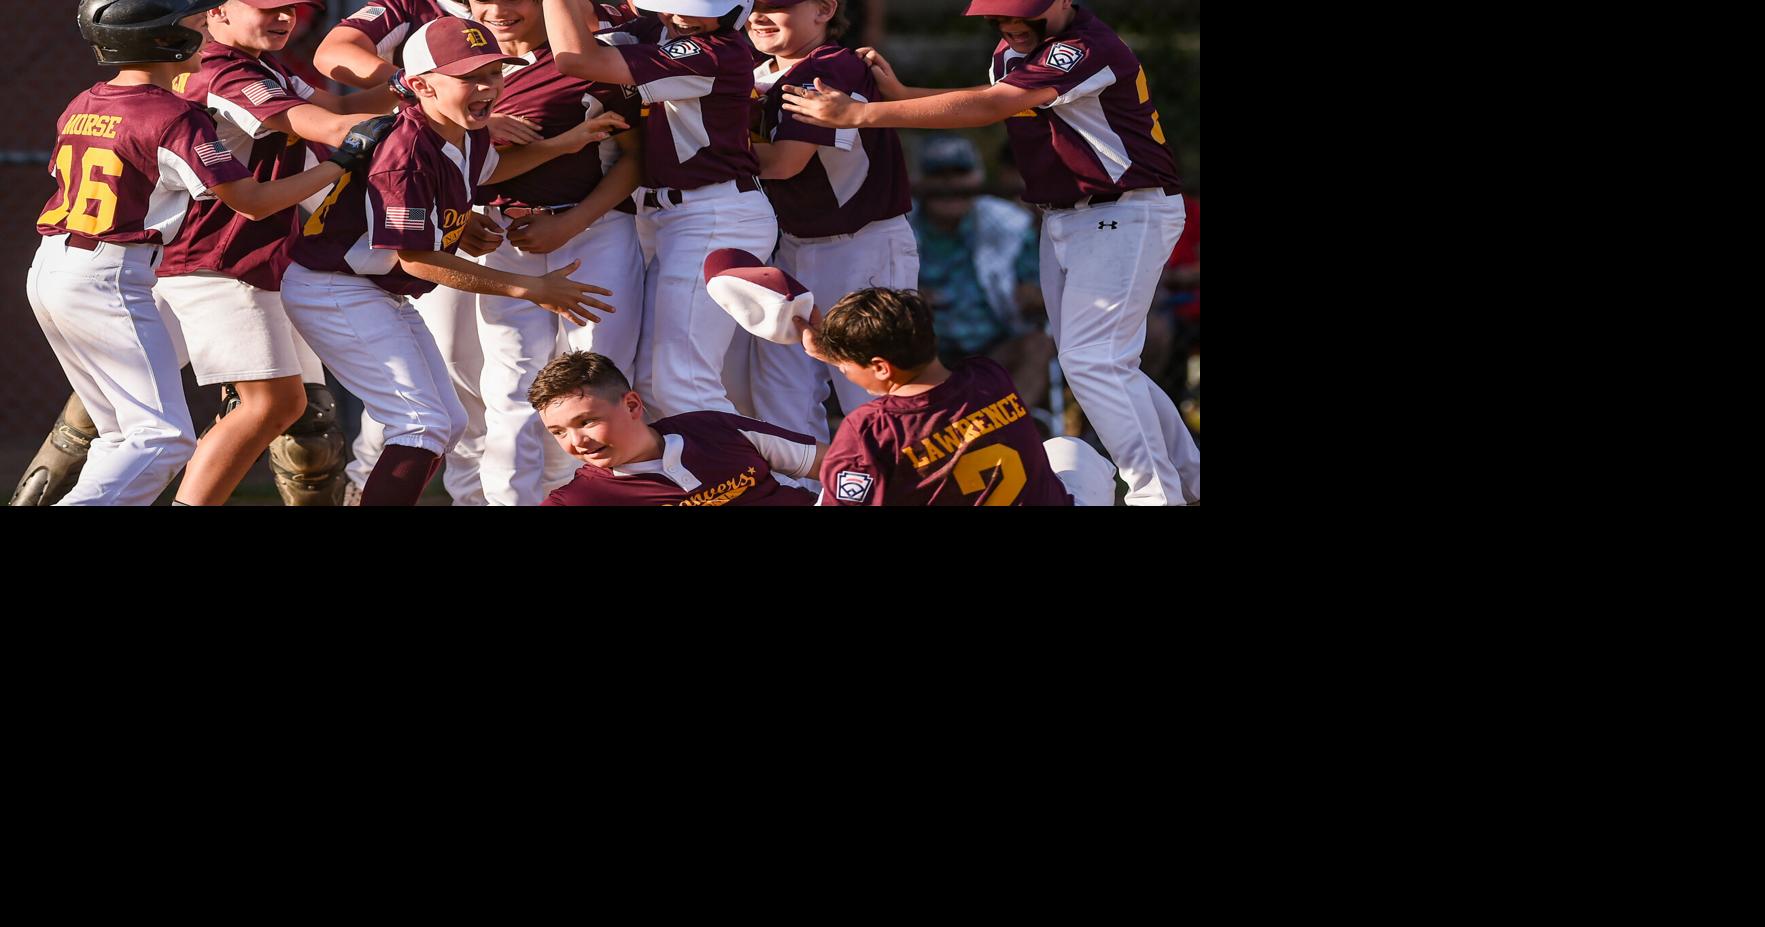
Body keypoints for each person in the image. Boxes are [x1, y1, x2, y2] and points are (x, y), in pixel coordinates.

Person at [780, 0, 1199, 505]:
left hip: (1124, 209)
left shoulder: (1084, 47)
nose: (1010, 24)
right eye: (999, 15)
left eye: (1025, 13)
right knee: (1102, 363)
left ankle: (1158, 495)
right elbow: (993, 99)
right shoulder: (1015, 48)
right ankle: (1187, 477)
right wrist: (905, 97)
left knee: (1095, 362)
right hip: (1069, 214)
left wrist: (862, 113)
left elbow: (990, 106)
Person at [26, 0, 392, 506]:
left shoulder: (85, 99)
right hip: (160, 266)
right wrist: (344, 161)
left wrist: (420, 89)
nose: (204, 35)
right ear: (167, 40)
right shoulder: (182, 110)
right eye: (196, 26)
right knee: (161, 436)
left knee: (122, 433)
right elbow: (253, 199)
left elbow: (337, 110)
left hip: (62, 262)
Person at [281, 15, 623, 504]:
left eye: (494, 73)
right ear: (421, 85)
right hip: (334, 289)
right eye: (468, 77)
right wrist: (531, 289)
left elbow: (490, 169)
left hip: (372, 290)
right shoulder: (407, 150)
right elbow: (417, 259)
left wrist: (565, 144)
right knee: (419, 425)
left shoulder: (465, 127)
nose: (486, 86)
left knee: (448, 422)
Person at [150, 0, 402, 506]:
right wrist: (443, 105)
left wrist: (420, 87)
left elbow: (340, 108)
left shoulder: (261, 62)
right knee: (264, 407)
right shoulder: (222, 68)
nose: (284, 16)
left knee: (303, 419)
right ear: (216, 11)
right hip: (218, 257)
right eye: (267, 7)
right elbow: (330, 129)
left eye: (290, 7)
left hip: (253, 255)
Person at [703, 248, 1114, 505]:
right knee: (1068, 447)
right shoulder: (988, 376)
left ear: (882, 367)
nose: (841, 370)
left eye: (845, 363)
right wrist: (836, 349)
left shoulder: (871, 429)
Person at [541, 0, 780, 420]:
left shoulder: (718, 49)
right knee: (654, 386)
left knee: (681, 383)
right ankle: (700, 481)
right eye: (671, 5)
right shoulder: (658, 29)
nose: (681, 15)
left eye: (696, 8)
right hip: (661, 215)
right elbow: (589, 29)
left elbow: (577, 58)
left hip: (715, 214)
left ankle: (741, 484)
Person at [464, 0, 646, 505]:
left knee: (597, 379)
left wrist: (572, 222)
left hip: (593, 230)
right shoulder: (458, 63)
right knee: (508, 389)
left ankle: (594, 498)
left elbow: (634, 160)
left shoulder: (589, 58)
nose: (498, 9)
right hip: (503, 238)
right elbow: (440, 159)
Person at [746, 0, 914, 451]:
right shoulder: (753, 69)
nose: (758, 15)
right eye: (751, 5)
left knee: (875, 397)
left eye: (775, 5)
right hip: (789, 250)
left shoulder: (830, 69)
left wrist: (703, 150)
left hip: (863, 246)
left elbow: (784, 163)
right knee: (780, 404)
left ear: (823, 10)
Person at [532, 351, 824, 506]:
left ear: (632, 405)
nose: (577, 441)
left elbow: (842, 465)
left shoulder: (713, 427)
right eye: (558, 432)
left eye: (586, 422)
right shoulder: (577, 500)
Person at [906, 133, 1052, 412]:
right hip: (923, 355)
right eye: (937, 173)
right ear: (917, 181)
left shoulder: (1010, 223)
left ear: (977, 177)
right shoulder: (898, 225)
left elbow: (1036, 286)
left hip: (995, 348)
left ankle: (1005, 425)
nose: (949, 184)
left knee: (1038, 344)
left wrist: (1032, 294)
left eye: (960, 171)